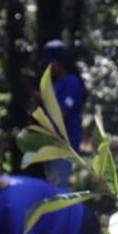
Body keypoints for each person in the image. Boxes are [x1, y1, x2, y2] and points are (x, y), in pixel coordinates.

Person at [37, 39, 88, 192]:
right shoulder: (57, 83)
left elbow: (62, 114)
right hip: (52, 145)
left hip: (67, 146)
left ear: (59, 62)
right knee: (52, 188)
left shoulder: (71, 82)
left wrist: (43, 99)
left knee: (61, 190)